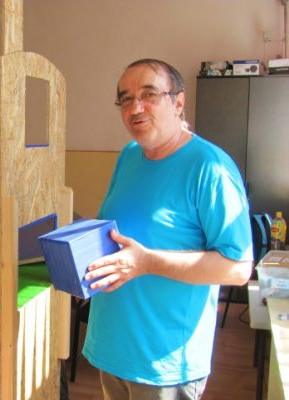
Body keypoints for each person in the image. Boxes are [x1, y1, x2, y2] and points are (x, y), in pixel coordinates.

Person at [81, 58, 253, 400]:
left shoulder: (210, 167)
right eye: (125, 99)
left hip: (164, 365)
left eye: (149, 94)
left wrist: (147, 262)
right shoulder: (130, 155)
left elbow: (238, 268)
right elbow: (120, 235)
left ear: (178, 102)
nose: (135, 108)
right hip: (112, 349)